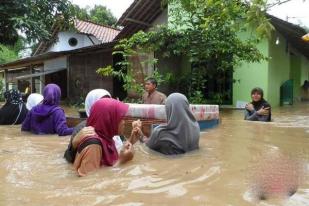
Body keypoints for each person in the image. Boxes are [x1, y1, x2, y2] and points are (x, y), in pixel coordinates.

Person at [71, 98, 139, 176]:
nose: (124, 122)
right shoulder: (93, 145)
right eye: (120, 118)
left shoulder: (106, 138)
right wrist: (121, 161)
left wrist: (131, 141)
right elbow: (89, 182)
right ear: (109, 119)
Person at [136, 93, 200, 155]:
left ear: (168, 108)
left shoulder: (160, 132)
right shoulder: (196, 126)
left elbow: (147, 145)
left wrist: (140, 134)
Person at [64, 89, 114, 163]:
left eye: (108, 103)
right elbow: (69, 160)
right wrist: (74, 144)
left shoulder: (114, 125)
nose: (106, 107)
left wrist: (131, 141)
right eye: (102, 104)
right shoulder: (81, 129)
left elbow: (122, 151)